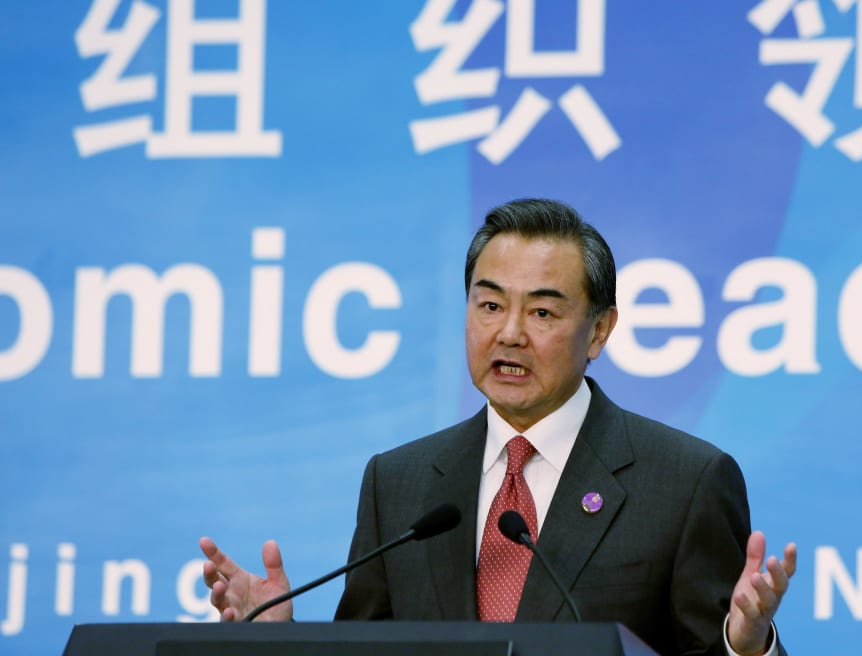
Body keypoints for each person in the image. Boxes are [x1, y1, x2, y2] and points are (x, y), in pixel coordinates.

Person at [200, 198, 796, 656]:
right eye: (489, 305)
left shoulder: (684, 482)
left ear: (599, 330)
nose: (509, 333)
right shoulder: (400, 484)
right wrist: (278, 642)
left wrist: (744, 647)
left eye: (541, 311)